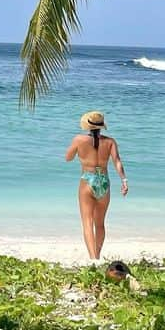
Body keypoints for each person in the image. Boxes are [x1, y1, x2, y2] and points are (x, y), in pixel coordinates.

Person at [65, 110, 128, 259]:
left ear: (87, 126)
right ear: (101, 126)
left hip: (88, 180)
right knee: (99, 223)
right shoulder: (110, 142)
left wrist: (80, 152)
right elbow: (117, 162)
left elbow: (68, 158)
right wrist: (124, 180)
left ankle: (93, 259)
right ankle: (98, 256)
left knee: (87, 222)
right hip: (104, 181)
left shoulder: (79, 140)